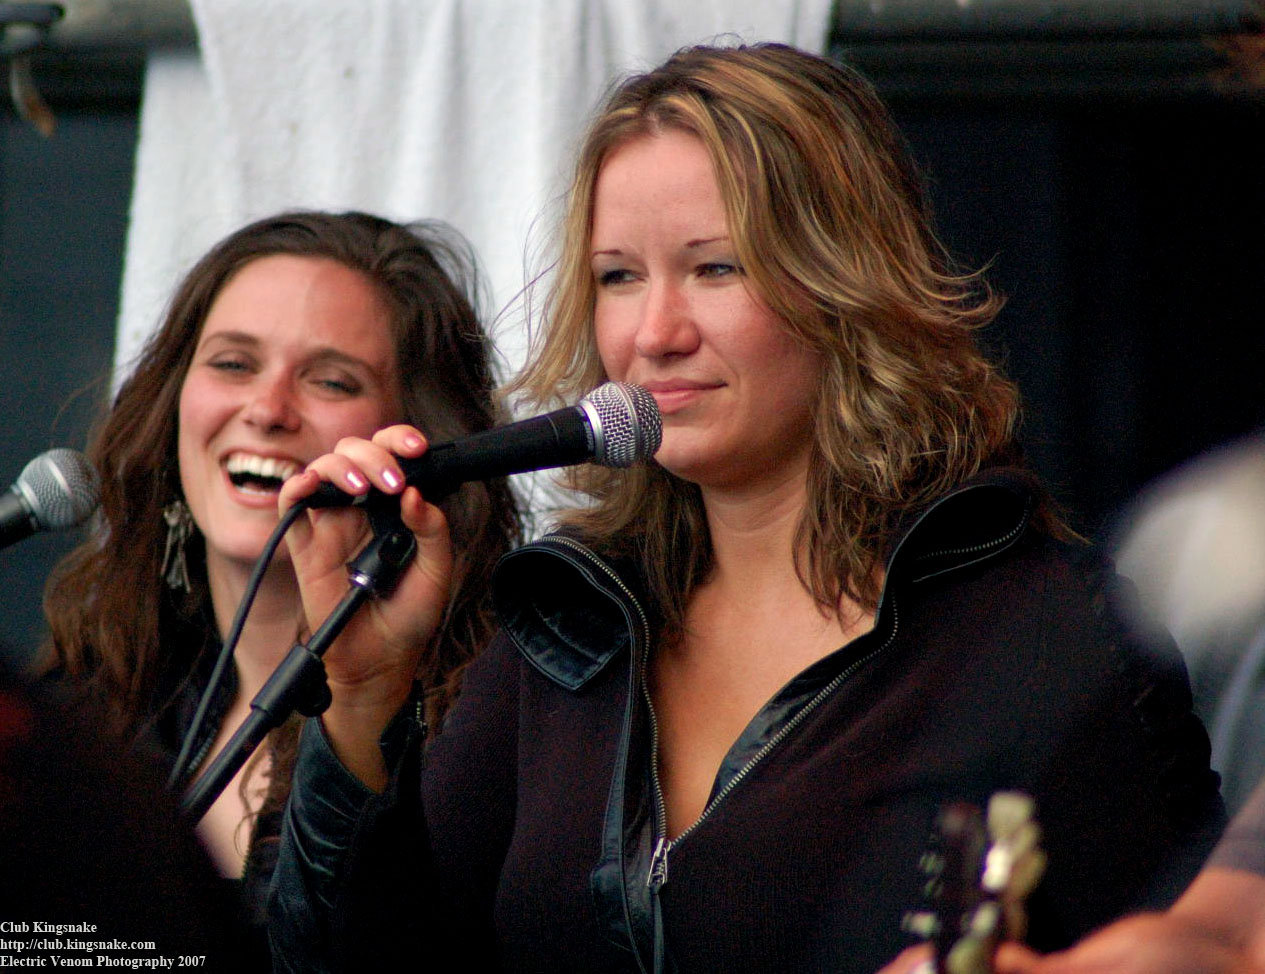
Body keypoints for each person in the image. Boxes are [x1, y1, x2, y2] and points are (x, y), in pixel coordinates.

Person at [268, 44, 1225, 973]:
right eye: (617, 277)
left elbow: (1193, 954)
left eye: (716, 268)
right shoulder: (570, 627)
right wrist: (361, 697)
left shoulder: (1039, 629)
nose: (654, 333)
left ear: (846, 284)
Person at [38, 211, 520, 956]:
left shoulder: (494, 727)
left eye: (331, 380)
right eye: (233, 364)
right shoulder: (93, 695)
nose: (266, 411)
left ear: (416, 438)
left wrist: (361, 706)